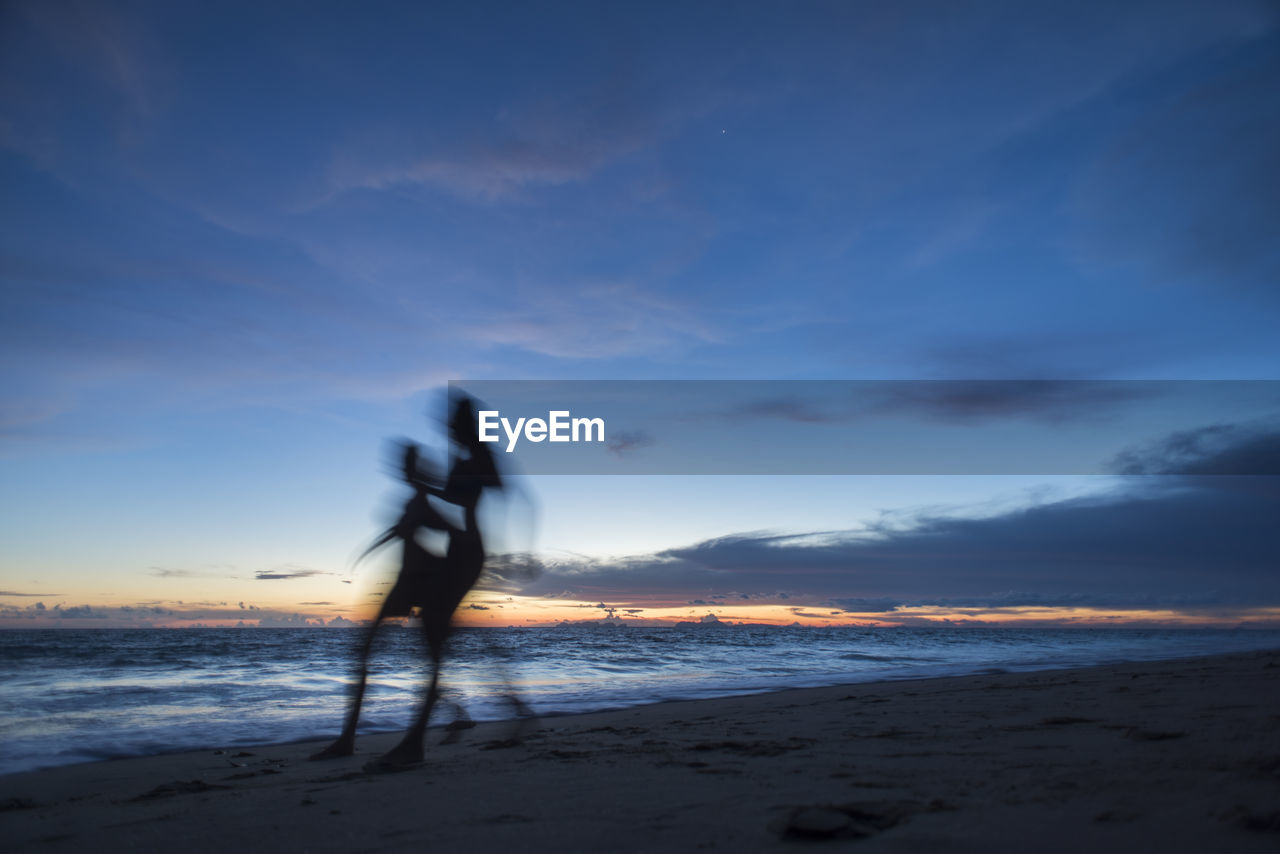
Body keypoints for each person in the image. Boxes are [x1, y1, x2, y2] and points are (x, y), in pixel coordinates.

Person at [312, 394, 506, 769]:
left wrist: (428, 493)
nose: (446, 428)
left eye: (452, 422)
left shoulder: (475, 461)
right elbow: (440, 519)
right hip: (427, 572)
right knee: (381, 653)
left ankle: (413, 742)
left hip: (439, 571)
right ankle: (350, 738)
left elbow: (459, 518)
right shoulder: (455, 467)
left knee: (430, 655)